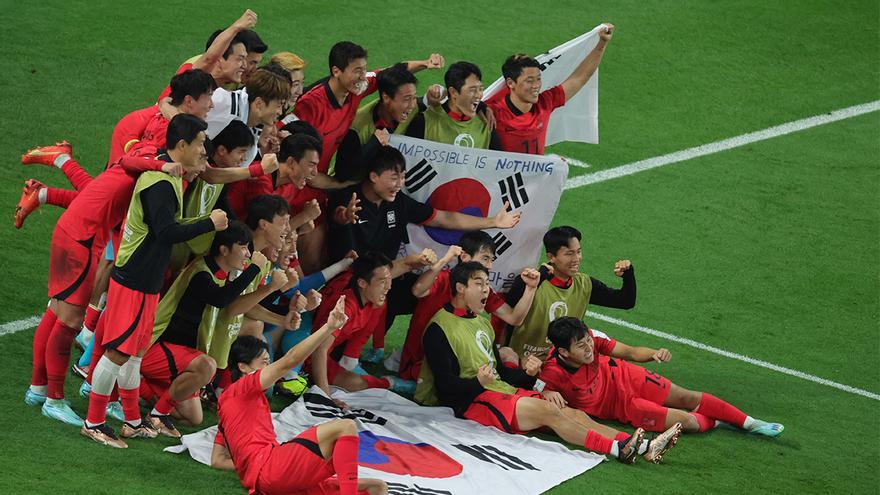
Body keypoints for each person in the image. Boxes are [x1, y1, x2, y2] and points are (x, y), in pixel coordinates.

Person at [415, 262, 681, 464]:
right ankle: (618, 449)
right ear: (460, 288)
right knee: (550, 413)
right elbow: (446, 387)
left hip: (498, 391)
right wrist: (478, 383)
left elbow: (502, 374)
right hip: (473, 403)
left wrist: (538, 383)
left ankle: (644, 447)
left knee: (571, 411)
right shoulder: (439, 329)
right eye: (479, 284)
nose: (486, 289)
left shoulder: (481, 321)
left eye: (486, 283)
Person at [81, 114, 227, 448]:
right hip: (133, 278)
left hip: (144, 280)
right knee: (118, 353)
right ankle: (94, 422)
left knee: (134, 354)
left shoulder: (170, 173)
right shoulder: (160, 182)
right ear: (181, 146)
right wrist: (209, 223)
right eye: (201, 144)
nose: (206, 150)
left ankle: (132, 421)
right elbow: (166, 232)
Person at [328, 146, 521, 355]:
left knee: (429, 291)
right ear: (373, 176)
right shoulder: (349, 198)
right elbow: (337, 215)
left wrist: (493, 221)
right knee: (407, 266)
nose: (399, 184)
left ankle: (407, 353)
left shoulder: (399, 202)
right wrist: (344, 216)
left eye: (403, 177)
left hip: (385, 278)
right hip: (351, 280)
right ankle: (347, 352)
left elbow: (445, 218)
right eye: (394, 178)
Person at [292, 41, 443, 272]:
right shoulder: (310, 104)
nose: (363, 76)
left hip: (321, 184)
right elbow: (294, 153)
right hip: (300, 184)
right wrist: (332, 182)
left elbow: (390, 72)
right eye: (357, 71)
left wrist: (424, 63)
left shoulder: (357, 88)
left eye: (364, 70)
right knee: (305, 257)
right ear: (336, 71)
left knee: (318, 258)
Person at [209, 303, 387, 495]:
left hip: (273, 479)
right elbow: (290, 360)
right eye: (264, 363)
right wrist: (328, 327)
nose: (269, 368)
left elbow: (216, 460)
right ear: (243, 367)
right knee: (346, 426)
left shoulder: (229, 406)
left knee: (377, 487)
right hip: (272, 468)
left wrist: (248, 467)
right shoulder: (241, 389)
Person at [140, 222, 281, 435]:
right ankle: (155, 413)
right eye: (243, 248)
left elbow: (238, 303)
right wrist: (254, 269)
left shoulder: (222, 275)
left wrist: (284, 310)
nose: (248, 254)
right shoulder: (201, 273)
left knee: (192, 417)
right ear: (224, 250)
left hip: (179, 357)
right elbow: (221, 299)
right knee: (207, 366)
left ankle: (141, 387)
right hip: (153, 346)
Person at [542, 317, 785, 436]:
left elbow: (629, 352)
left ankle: (750, 423)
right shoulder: (552, 373)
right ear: (563, 352)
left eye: (588, 342)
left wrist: (653, 353)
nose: (589, 349)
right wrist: (546, 391)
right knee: (687, 422)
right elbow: (535, 392)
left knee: (685, 396)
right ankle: (718, 420)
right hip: (623, 407)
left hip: (626, 376)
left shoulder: (592, 340)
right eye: (581, 347)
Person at [397, 231, 540, 382]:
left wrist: (531, 288)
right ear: (464, 257)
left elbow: (514, 318)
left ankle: (505, 385)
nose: (490, 266)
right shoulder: (443, 278)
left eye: (492, 260)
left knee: (508, 353)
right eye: (485, 258)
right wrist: (445, 259)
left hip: (460, 356)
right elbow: (418, 290)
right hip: (423, 362)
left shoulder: (482, 289)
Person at [502, 225, 636, 361]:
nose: (577, 258)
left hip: (559, 365)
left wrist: (628, 275)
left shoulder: (584, 284)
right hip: (520, 363)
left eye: (578, 252)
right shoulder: (529, 282)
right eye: (569, 254)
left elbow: (625, 302)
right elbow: (505, 318)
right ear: (551, 257)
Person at [486, 23, 615, 155]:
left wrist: (601, 44)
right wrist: (480, 108)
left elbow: (580, 78)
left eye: (538, 79)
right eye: (529, 81)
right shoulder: (492, 112)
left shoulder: (545, 103)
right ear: (511, 83)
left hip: (535, 176)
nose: (536, 85)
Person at [405, 61, 501, 149]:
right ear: (454, 92)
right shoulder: (424, 122)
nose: (479, 95)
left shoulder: (487, 124)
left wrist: (483, 107)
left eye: (480, 89)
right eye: (472, 90)